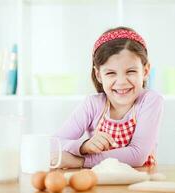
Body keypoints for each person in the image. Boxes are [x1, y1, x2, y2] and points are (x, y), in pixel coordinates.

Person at [52, 26, 164, 168]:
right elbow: (53, 143)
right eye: (111, 73)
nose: (122, 82)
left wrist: (81, 161)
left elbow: (137, 155)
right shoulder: (92, 104)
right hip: (99, 184)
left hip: (139, 183)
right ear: (99, 75)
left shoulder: (151, 101)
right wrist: (83, 146)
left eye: (130, 71)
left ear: (145, 70)